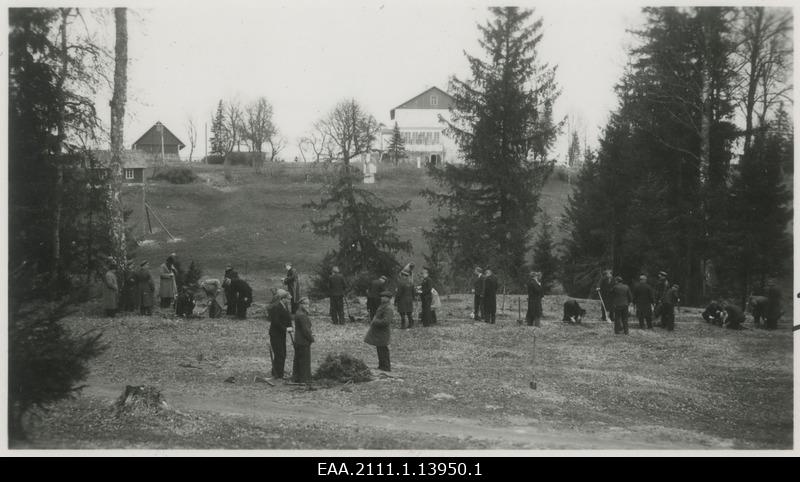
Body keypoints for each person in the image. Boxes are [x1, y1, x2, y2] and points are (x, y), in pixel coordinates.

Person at [364, 290, 394, 371]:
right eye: (381, 297)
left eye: (384, 297)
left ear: (388, 298)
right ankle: (382, 366)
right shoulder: (383, 305)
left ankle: (386, 367)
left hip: (383, 333)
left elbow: (386, 321)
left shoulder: (388, 308)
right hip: (379, 332)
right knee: (380, 350)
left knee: (383, 350)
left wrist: (375, 321)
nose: (382, 298)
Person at [268, 289, 293, 379]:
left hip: (281, 334)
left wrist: (290, 326)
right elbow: (276, 321)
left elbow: (287, 318)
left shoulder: (284, 306)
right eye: (288, 299)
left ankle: (277, 371)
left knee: (282, 353)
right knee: (280, 354)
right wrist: (285, 328)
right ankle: (278, 374)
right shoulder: (277, 307)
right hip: (275, 334)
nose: (289, 301)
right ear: (283, 299)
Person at [291, 297, 315, 384]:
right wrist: (311, 338)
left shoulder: (299, 313)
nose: (307, 305)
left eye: (308, 304)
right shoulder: (302, 315)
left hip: (298, 340)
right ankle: (304, 379)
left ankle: (297, 377)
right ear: (301, 304)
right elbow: (305, 330)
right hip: (303, 340)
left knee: (298, 360)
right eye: (305, 304)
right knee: (304, 361)